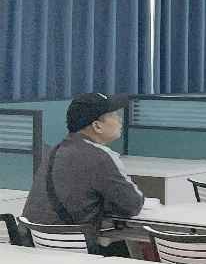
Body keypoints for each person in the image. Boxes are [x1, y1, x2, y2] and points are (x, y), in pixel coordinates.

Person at [22, 93, 144, 253]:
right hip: (73, 250)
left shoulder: (54, 151)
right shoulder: (100, 157)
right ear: (97, 126)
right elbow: (132, 205)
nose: (120, 119)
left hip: (36, 247)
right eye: (114, 115)